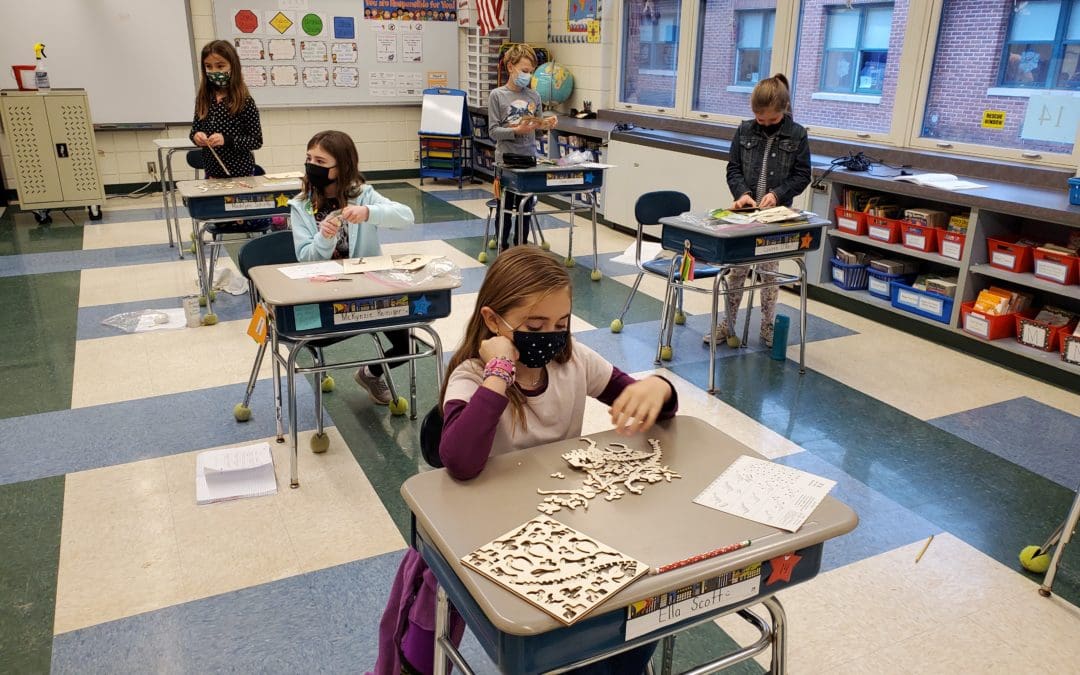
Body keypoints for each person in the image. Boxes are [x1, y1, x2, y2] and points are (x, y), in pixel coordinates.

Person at [373, 247, 678, 675]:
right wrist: (499, 370)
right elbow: (460, 459)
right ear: (493, 321)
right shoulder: (472, 376)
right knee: (433, 610)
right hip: (483, 535)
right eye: (534, 326)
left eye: (561, 323)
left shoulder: (575, 363)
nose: (551, 337)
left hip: (557, 527)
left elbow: (639, 399)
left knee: (635, 611)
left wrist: (658, 388)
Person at [289, 130, 416, 408]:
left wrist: (369, 212)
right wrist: (323, 238)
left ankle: (370, 374)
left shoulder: (364, 195)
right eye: (309, 159)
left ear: (342, 167)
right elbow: (305, 260)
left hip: (368, 290)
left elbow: (406, 216)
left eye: (321, 162)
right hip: (325, 295)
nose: (312, 166)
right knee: (314, 338)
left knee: (407, 349)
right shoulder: (300, 206)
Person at [707, 73, 810, 348]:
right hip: (745, 215)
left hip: (773, 219)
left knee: (769, 274)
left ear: (784, 110)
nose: (764, 125)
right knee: (736, 271)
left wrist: (778, 194)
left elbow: (802, 176)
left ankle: (767, 326)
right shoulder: (744, 131)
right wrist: (741, 194)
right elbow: (733, 168)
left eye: (772, 121)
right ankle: (727, 324)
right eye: (760, 120)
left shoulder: (798, 135)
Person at [488, 44, 557, 251]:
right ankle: (503, 249)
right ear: (511, 67)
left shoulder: (534, 97)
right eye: (524, 71)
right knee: (506, 209)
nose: (527, 76)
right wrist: (515, 131)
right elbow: (492, 131)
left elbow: (536, 129)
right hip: (506, 162)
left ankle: (522, 250)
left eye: (530, 72)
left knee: (525, 209)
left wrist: (546, 125)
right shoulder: (497, 96)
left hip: (528, 159)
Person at [189, 40, 262, 179]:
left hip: (241, 174)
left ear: (232, 66)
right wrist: (197, 136)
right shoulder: (204, 98)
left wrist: (226, 140)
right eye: (208, 67)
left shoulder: (244, 101)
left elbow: (256, 141)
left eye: (220, 66)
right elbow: (194, 131)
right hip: (211, 173)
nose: (214, 71)